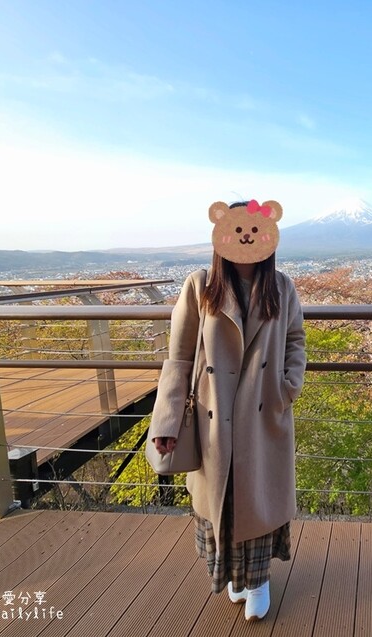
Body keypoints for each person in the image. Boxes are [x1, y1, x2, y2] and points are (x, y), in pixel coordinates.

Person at [150, 199, 306, 621]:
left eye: (254, 231)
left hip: (263, 412)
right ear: (221, 235)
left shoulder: (282, 287)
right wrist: (165, 421)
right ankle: (236, 578)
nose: (246, 239)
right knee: (224, 499)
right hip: (212, 414)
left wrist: (288, 385)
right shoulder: (199, 286)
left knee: (255, 497)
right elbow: (179, 358)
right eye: (238, 230)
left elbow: (295, 339)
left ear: (268, 237)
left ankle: (257, 581)